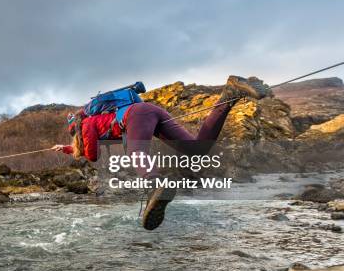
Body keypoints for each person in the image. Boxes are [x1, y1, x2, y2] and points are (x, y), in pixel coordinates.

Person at [52, 76, 271, 230]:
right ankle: (229, 95)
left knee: (136, 152)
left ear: (74, 128)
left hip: (136, 116)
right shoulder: (96, 121)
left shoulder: (88, 124)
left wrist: (76, 150)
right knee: (197, 149)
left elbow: (92, 155)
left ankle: (156, 184)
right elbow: (88, 147)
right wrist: (67, 149)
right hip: (151, 111)